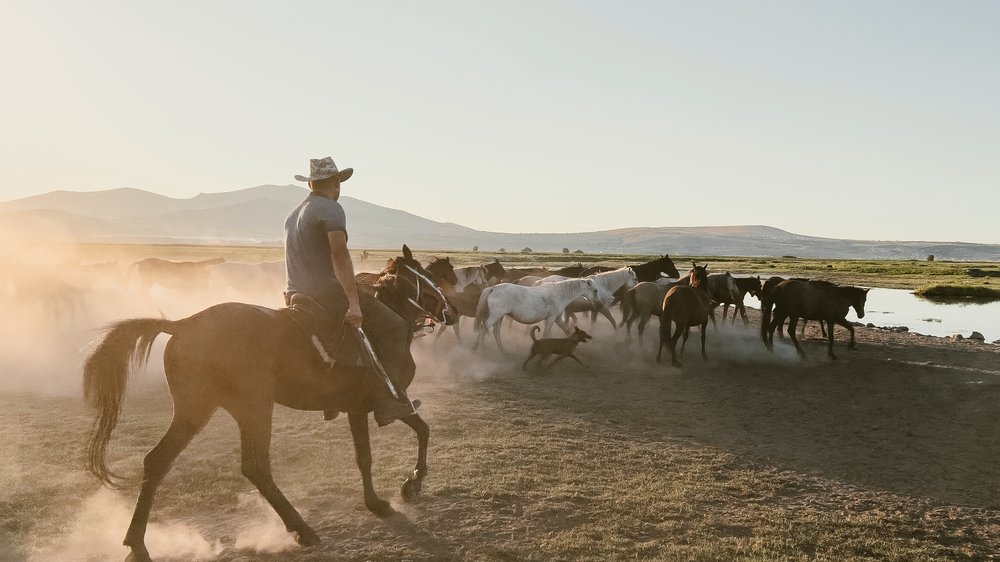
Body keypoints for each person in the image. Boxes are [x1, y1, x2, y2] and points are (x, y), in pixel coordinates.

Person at [284, 156, 419, 426]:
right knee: (396, 326)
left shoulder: (294, 213)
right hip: (326, 293)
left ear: (311, 183)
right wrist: (353, 303)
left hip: (294, 293)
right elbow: (340, 257)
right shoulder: (331, 209)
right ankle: (389, 401)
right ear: (335, 183)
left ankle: (337, 395)